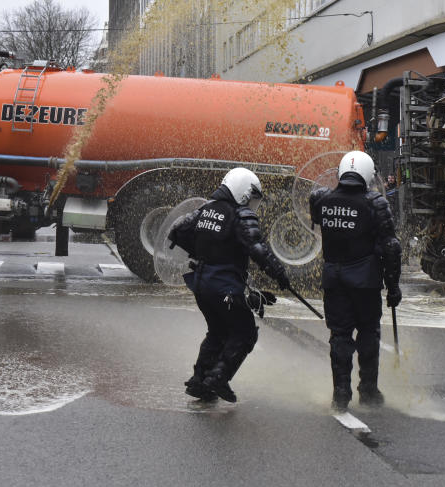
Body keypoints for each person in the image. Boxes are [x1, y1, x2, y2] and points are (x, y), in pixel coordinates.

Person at [167, 167, 290, 403]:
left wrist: (204, 250)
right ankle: (218, 379)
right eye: (251, 196)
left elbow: (178, 232)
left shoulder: (205, 210)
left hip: (201, 284)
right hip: (223, 287)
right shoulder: (240, 214)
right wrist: (279, 274)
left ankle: (198, 382)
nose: (252, 203)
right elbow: (258, 249)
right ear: (244, 191)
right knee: (244, 333)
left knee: (218, 332)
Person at [309, 151, 402, 411]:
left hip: (334, 280)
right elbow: (391, 246)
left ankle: (340, 393)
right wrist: (393, 286)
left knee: (339, 336)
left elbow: (316, 219)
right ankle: (368, 391)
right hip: (365, 282)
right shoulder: (375, 203)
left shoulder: (320, 199)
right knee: (368, 335)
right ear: (367, 174)